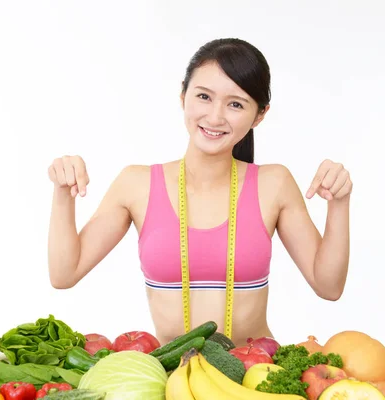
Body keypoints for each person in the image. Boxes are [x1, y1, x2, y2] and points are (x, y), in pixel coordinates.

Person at [47, 38, 352, 347]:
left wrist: (339, 203)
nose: (216, 116)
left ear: (259, 115)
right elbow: (64, 274)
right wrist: (63, 192)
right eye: (204, 96)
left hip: (257, 373)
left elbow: (328, 286)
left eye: (236, 104)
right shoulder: (136, 184)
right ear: (183, 95)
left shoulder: (274, 184)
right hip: (173, 379)